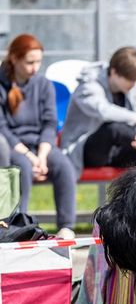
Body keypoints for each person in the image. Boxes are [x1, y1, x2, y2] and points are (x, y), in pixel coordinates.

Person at [0, 34, 77, 237]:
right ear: (15, 59)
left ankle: (66, 226)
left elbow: (50, 123)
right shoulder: (2, 85)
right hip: (14, 146)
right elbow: (2, 128)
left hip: (40, 145)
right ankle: (17, 225)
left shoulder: (43, 84)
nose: (35, 67)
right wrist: (31, 158)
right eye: (29, 62)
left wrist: (42, 155)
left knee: (63, 166)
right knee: (22, 168)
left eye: (38, 62)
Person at [60, 46, 136, 176]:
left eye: (135, 80)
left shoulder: (132, 86)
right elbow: (104, 111)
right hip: (84, 150)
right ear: (114, 72)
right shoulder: (88, 86)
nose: (133, 84)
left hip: (118, 148)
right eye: (130, 80)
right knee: (114, 128)